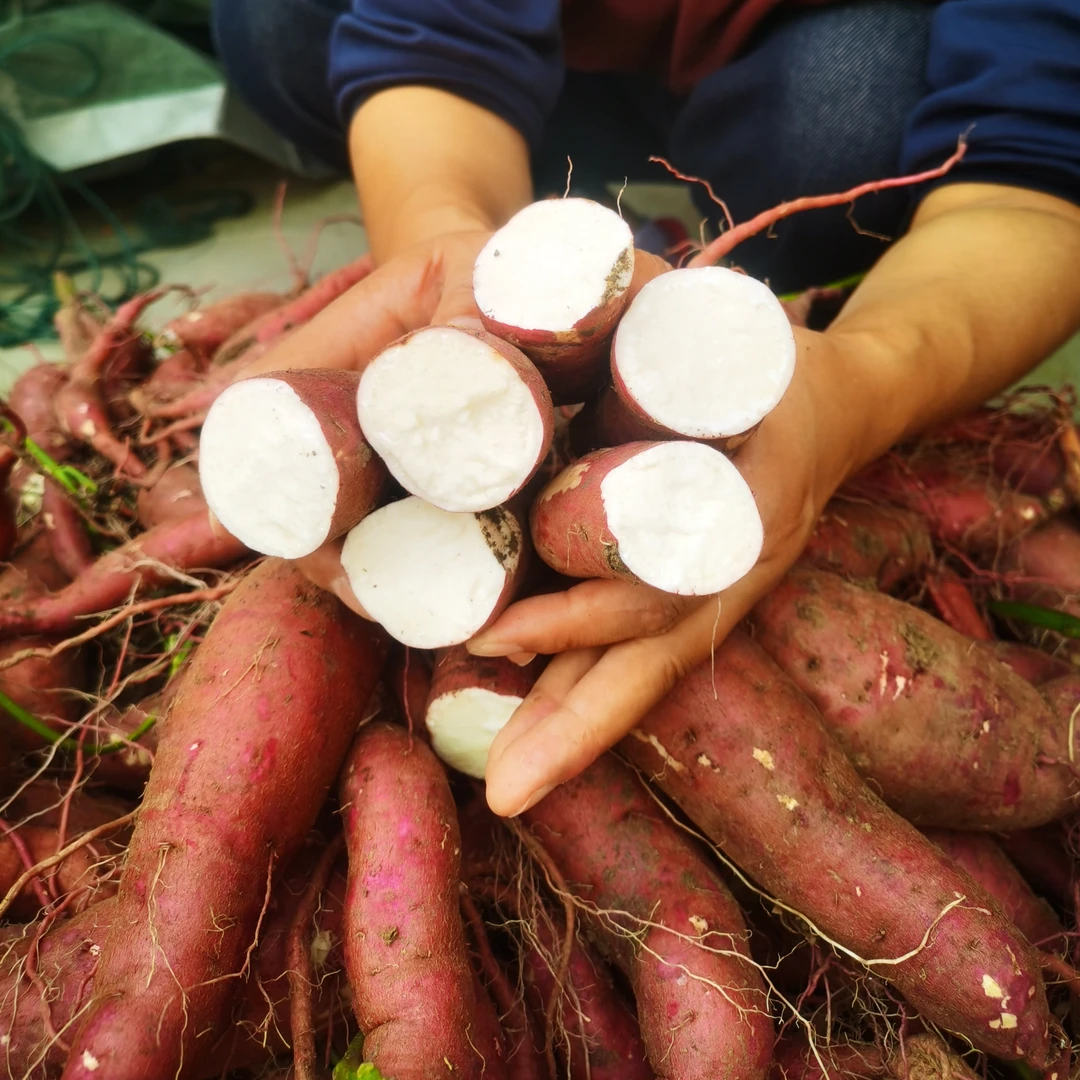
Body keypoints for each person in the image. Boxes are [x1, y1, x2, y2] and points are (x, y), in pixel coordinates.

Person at [212, 0, 1080, 818]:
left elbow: (1035, 171)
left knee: (846, 96)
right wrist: (450, 258)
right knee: (273, 22)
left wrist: (859, 384)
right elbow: (435, 38)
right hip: (577, 65)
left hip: (795, 63)